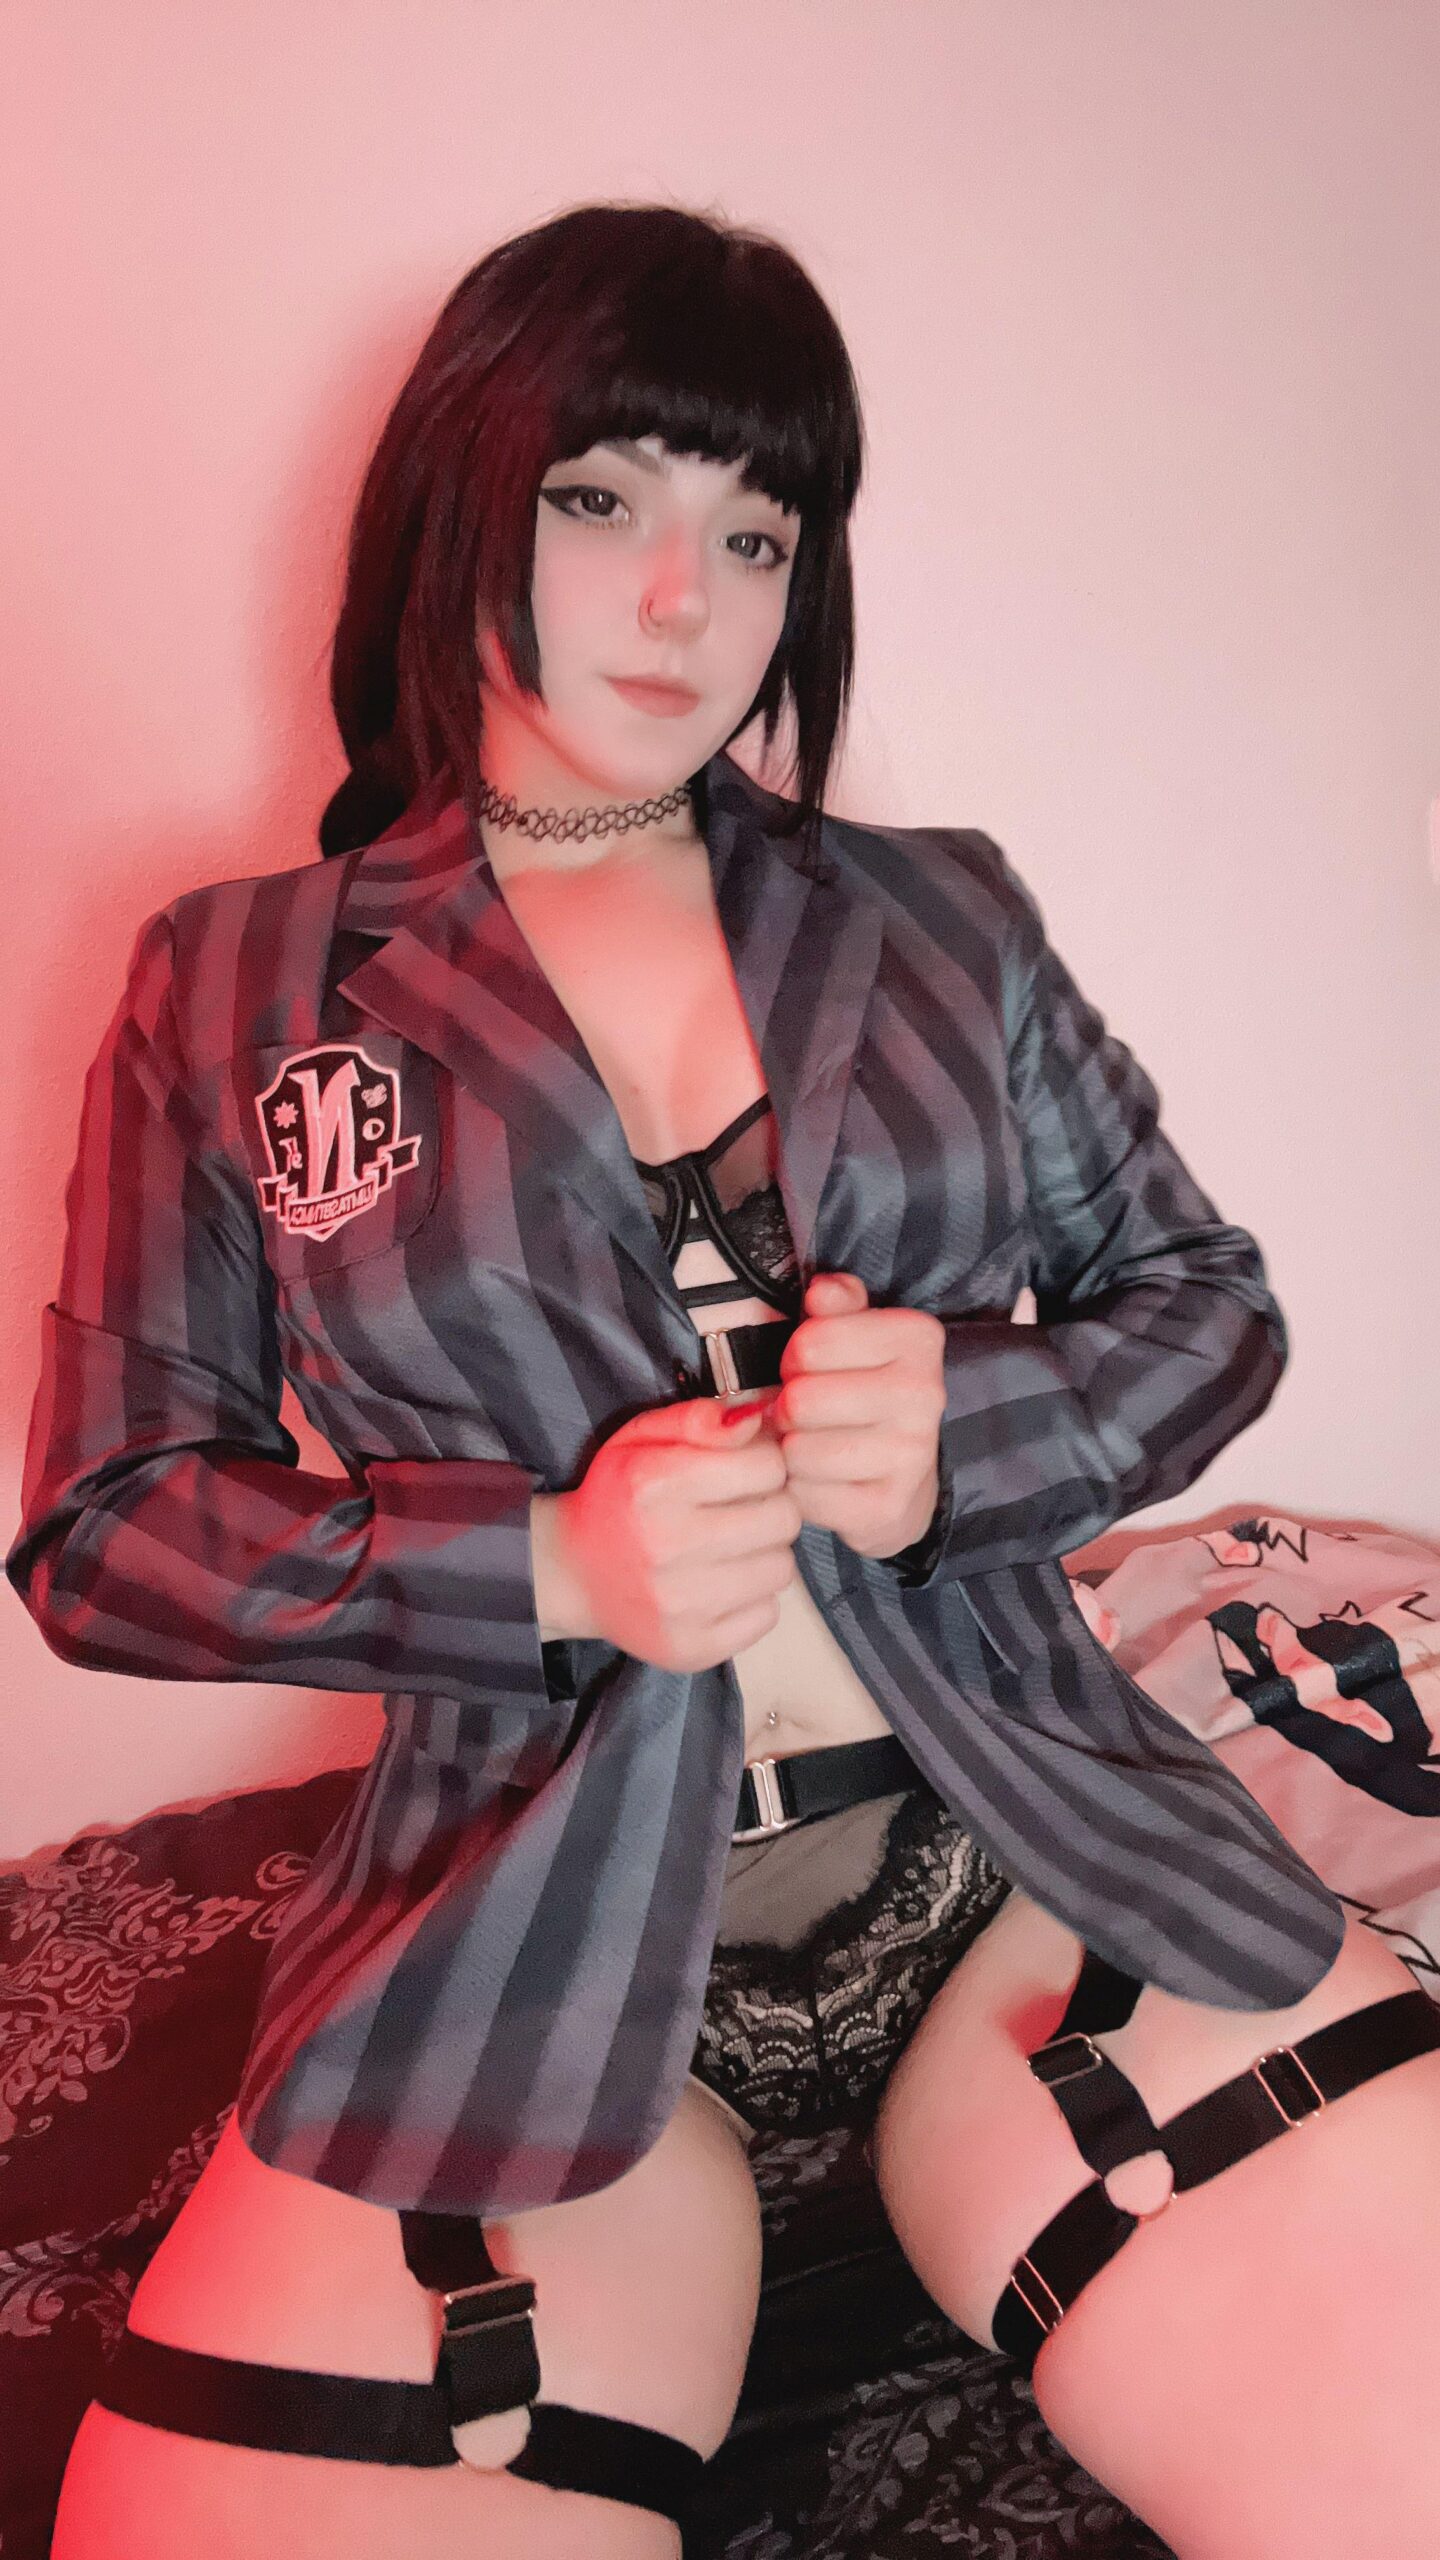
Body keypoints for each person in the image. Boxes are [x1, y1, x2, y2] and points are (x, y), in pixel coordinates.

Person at [10, 200, 1440, 2560]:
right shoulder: (237, 982)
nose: (687, 598)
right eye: (603, 499)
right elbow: (109, 1524)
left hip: (1023, 1860)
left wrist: (969, 1430)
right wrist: (548, 1563)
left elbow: (1204, 1300)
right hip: (526, 1923)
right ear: (459, 500)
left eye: (758, 531)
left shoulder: (940, 913)